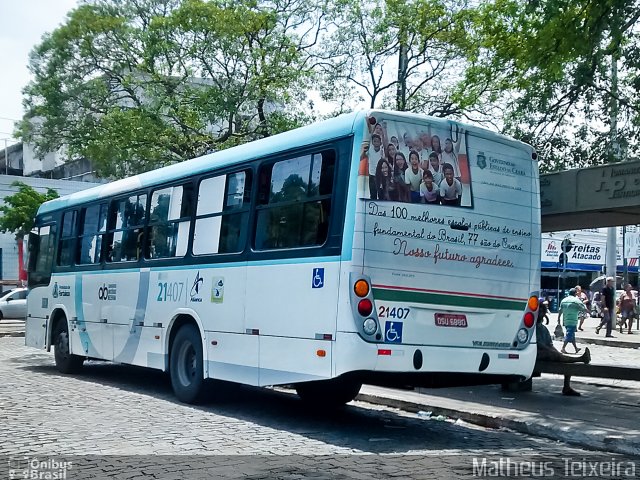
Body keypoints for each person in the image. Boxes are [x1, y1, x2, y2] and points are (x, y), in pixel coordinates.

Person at [536, 314, 591, 396]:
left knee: (564, 361)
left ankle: (567, 387)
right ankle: (580, 359)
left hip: (546, 352)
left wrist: (555, 352)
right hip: (537, 353)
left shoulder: (543, 328)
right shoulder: (533, 328)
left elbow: (550, 344)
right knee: (557, 356)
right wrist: (552, 352)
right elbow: (538, 344)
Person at [558, 288, 587, 354]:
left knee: (572, 335)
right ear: (575, 294)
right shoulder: (576, 300)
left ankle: (576, 348)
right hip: (573, 320)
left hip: (565, 321)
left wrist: (558, 319)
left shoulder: (564, 300)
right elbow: (583, 308)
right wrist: (588, 312)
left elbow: (560, 311)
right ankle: (563, 348)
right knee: (569, 334)